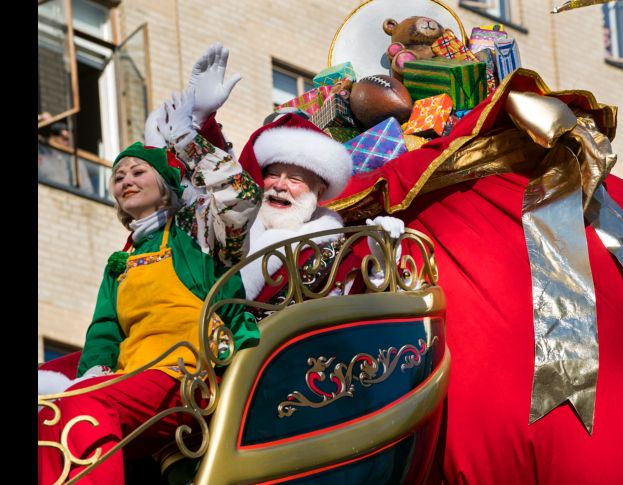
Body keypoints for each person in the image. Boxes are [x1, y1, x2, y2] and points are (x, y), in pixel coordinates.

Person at [37, 82, 260, 484]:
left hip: (188, 379)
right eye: (119, 177)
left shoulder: (193, 234)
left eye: (138, 171)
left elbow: (240, 197)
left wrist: (188, 140)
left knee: (81, 405)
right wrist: (93, 373)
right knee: (54, 414)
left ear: (164, 186)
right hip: (131, 387)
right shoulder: (120, 263)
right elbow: (103, 332)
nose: (126, 180)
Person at [236, 113, 404, 309]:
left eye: (295, 179)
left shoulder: (333, 254)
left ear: (319, 191)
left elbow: (367, 312)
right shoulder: (231, 230)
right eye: (272, 175)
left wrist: (384, 265)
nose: (280, 185)